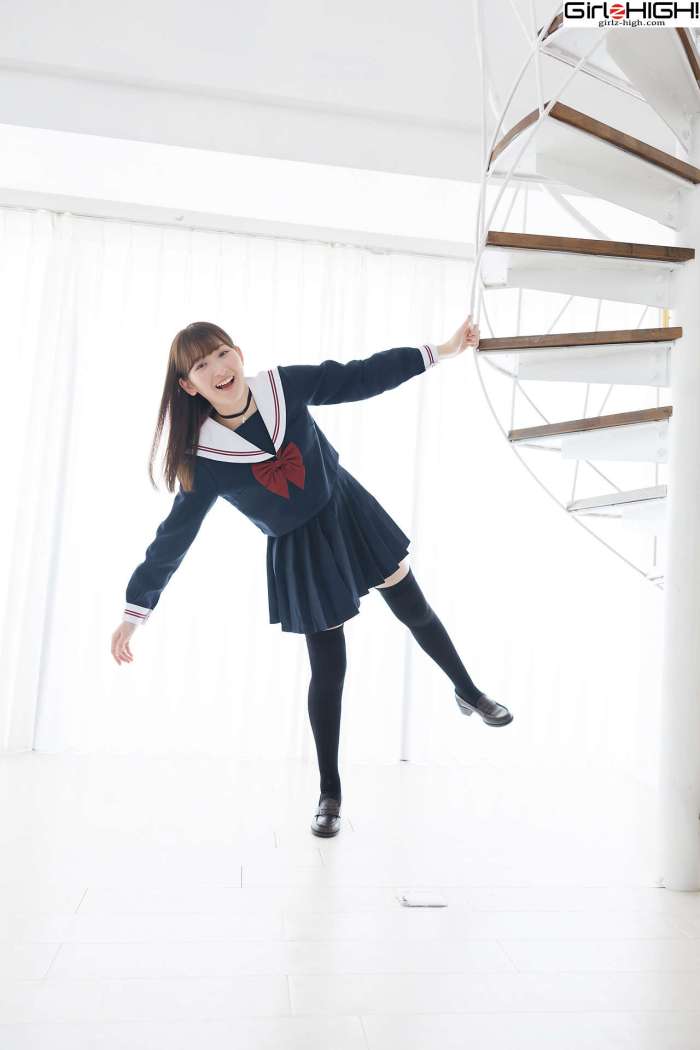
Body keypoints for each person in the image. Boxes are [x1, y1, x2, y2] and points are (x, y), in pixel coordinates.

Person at [110, 316, 513, 837]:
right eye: (201, 365)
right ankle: (330, 791)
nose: (218, 368)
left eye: (222, 353)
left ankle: (469, 691)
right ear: (189, 386)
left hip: (346, 508)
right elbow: (173, 538)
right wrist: (135, 612)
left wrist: (441, 350)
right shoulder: (204, 459)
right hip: (300, 547)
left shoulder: (283, 387)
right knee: (330, 668)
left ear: (239, 353)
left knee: (413, 608)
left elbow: (359, 376)